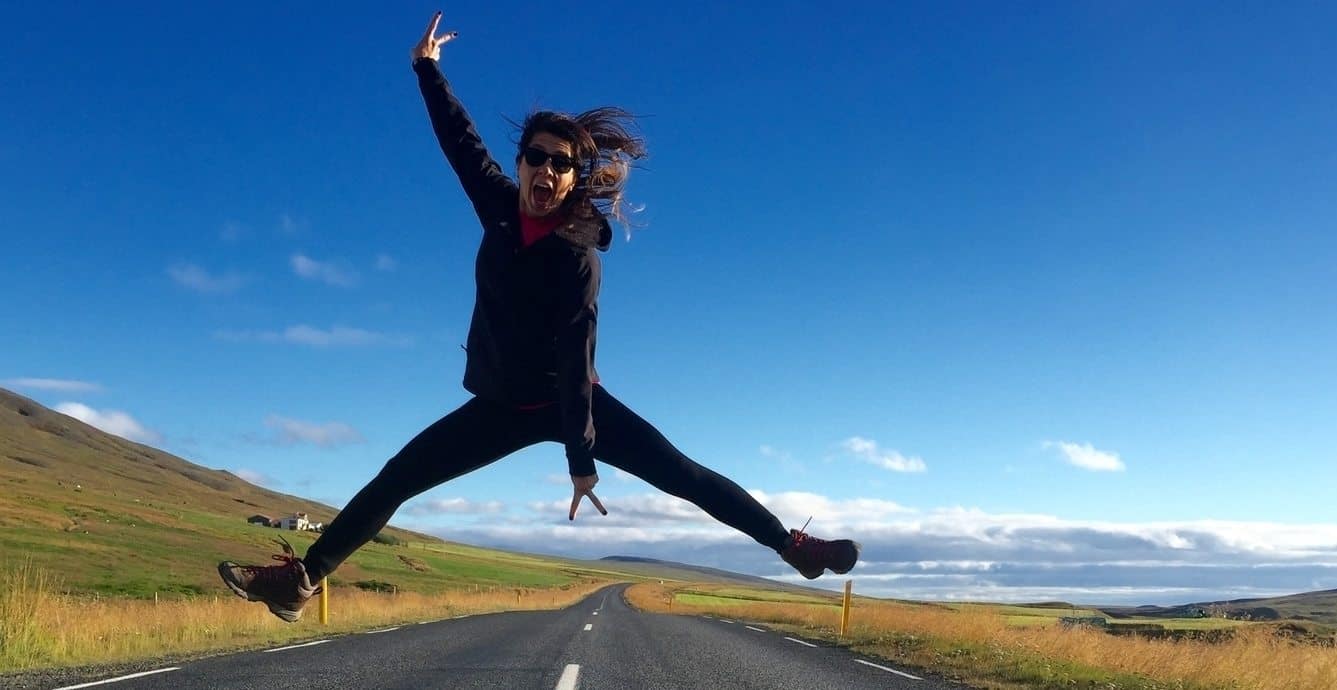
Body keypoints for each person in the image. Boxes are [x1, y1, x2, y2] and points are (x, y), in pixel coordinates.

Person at [217, 12, 859, 623]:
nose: (545, 169)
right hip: (500, 404)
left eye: (560, 162)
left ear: (574, 178)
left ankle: (791, 548)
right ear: (521, 163)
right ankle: (302, 581)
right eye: (536, 156)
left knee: (683, 476)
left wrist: (581, 458)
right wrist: (426, 69)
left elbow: (577, 356)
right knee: (399, 476)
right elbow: (460, 143)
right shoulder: (499, 206)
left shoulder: (577, 255)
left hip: (568, 400)